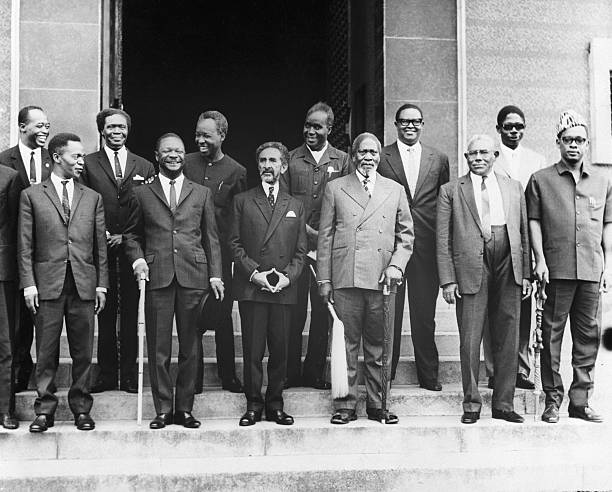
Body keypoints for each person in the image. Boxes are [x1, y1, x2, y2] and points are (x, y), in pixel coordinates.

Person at [124, 133, 223, 429]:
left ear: (185, 155)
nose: (174, 155)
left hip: (194, 275)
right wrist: (137, 258)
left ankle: (185, 409)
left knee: (191, 346)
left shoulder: (201, 192)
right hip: (158, 276)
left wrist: (216, 274)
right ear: (157, 155)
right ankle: (163, 409)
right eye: (167, 150)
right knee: (159, 347)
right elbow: (131, 234)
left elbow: (212, 238)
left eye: (178, 151)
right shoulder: (142, 193)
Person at [317, 132, 413, 425]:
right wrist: (324, 280)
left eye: (373, 152)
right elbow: (325, 236)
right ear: (354, 155)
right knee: (346, 344)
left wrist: (396, 266)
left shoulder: (394, 189)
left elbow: (406, 234)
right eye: (363, 152)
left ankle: (378, 404)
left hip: (383, 278)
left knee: (379, 345)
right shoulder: (335, 188)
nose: (368, 157)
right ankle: (345, 405)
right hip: (346, 276)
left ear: (379, 156)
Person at [437, 134, 531, 425]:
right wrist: (447, 280)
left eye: (483, 153)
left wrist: (526, 273)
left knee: (508, 334)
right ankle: (471, 403)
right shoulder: (451, 190)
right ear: (466, 158)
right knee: (470, 337)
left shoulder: (514, 188)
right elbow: (442, 238)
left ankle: (503, 403)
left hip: (508, 263)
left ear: (495, 156)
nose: (477, 158)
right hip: (470, 266)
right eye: (472, 154)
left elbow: (523, 233)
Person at [18, 133, 108, 433]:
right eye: (75, 157)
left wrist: (101, 284)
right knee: (46, 350)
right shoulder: (32, 195)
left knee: (83, 350)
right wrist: (29, 283)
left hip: (83, 283)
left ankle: (82, 408)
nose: (81, 162)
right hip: (47, 284)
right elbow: (25, 245)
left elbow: (100, 247)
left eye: (82, 156)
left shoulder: (92, 197)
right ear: (57, 157)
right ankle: (45, 410)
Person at [526, 110, 611, 424]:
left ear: (587, 144)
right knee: (551, 337)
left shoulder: (602, 181)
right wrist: (540, 260)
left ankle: (580, 401)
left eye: (580, 140)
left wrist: (608, 268)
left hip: (591, 270)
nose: (574, 145)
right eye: (568, 140)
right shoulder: (541, 180)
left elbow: (607, 226)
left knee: (588, 336)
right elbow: (533, 221)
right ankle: (552, 400)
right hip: (556, 270)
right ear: (558, 142)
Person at [229, 142, 306, 427]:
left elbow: (301, 250)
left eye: (273, 160)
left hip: (284, 288)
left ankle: (275, 404)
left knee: (280, 350)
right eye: (262, 160)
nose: (267, 165)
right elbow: (234, 244)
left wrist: (288, 277)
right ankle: (252, 404)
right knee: (252, 350)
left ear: (284, 166)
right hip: (253, 287)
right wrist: (253, 273)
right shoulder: (243, 201)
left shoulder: (295, 205)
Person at [81, 108, 156, 394]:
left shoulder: (144, 166)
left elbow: (149, 208)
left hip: (133, 250)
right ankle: (106, 373)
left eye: (121, 128)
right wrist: (104, 236)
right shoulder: (88, 164)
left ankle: (129, 373)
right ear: (101, 130)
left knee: (131, 311)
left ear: (128, 130)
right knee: (105, 311)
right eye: (111, 127)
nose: (116, 132)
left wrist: (125, 237)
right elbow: (83, 205)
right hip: (99, 250)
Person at [377, 103, 449, 391]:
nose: (410, 126)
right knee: (389, 313)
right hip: (392, 246)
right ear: (396, 124)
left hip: (426, 246)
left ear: (422, 124)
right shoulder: (382, 156)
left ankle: (428, 376)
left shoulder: (438, 158)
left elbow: (442, 202)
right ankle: (386, 376)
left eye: (416, 121)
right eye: (405, 121)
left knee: (424, 314)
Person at [281, 102, 351, 389]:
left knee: (322, 314)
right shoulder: (291, 158)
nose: (310, 130)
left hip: (329, 251)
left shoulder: (343, 160)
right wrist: (309, 233)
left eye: (317, 126)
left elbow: (348, 203)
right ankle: (289, 372)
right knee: (293, 312)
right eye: (308, 125)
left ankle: (314, 373)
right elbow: (284, 203)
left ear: (329, 129)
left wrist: (326, 237)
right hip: (296, 248)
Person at [483, 105, 547, 391]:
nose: (514, 131)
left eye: (519, 126)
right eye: (508, 126)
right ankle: (495, 369)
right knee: (492, 309)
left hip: (524, 243)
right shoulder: (488, 158)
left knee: (522, 309)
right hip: (495, 241)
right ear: (498, 129)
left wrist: (537, 255)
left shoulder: (537, 159)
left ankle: (521, 368)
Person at [184, 110, 246, 393]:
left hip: (221, 254)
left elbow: (237, 219)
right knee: (191, 314)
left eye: (206, 135)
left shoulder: (236, 171)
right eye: (197, 134)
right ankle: (192, 378)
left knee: (221, 314)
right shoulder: (185, 164)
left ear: (222, 135)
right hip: (190, 252)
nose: (200, 140)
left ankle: (228, 375)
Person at [0, 105, 52, 393]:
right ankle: (20, 371)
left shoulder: (54, 160)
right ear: (22, 127)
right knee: (17, 317)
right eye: (39, 125)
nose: (45, 130)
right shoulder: (4, 161)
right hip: (15, 251)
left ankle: (44, 375)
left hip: (48, 252)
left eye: (47, 125)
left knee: (44, 315)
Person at [0, 165, 23, 429]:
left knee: (5, 344)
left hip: (2, 271)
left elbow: (18, 227)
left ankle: (5, 408)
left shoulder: (8, 177)